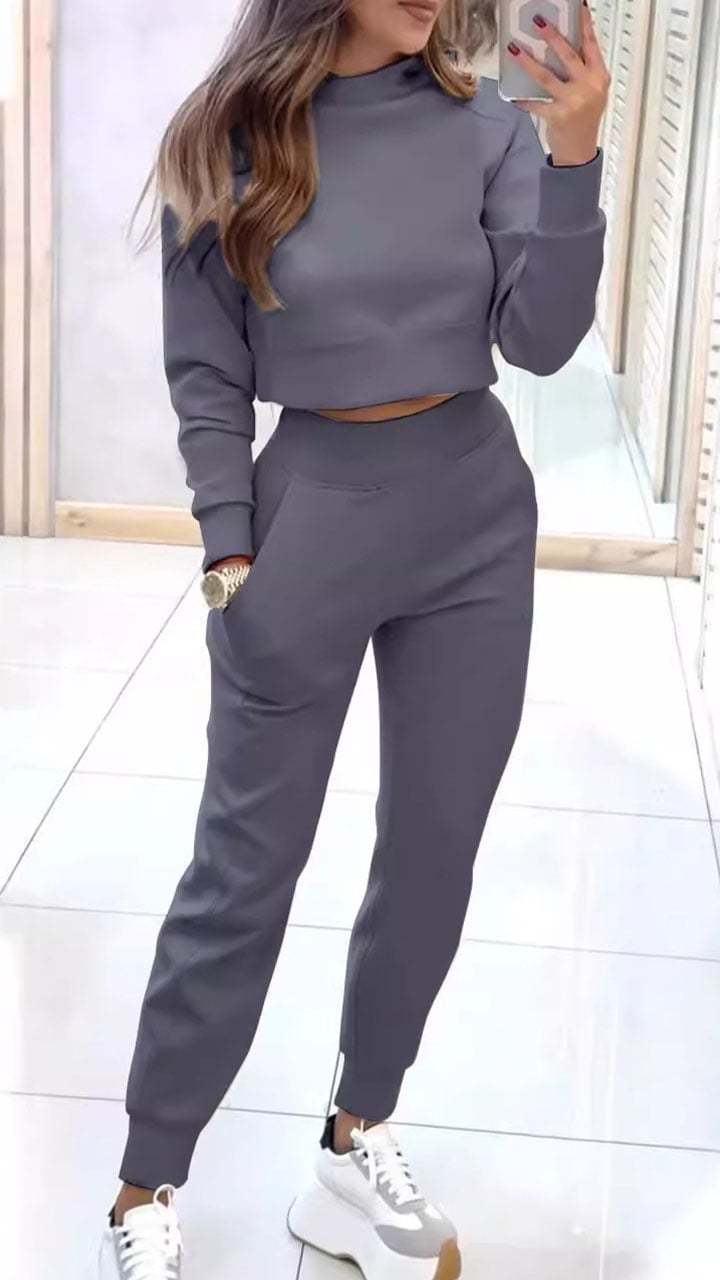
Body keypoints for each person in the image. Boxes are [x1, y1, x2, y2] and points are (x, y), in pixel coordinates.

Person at [98, 0, 609, 1276]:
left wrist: (576, 158)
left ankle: (353, 1136)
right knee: (244, 870)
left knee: (435, 850)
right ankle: (145, 1184)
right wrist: (229, 541)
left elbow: (540, 343)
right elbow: (206, 365)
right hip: (308, 524)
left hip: (474, 519)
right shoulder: (226, 138)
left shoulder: (488, 130)